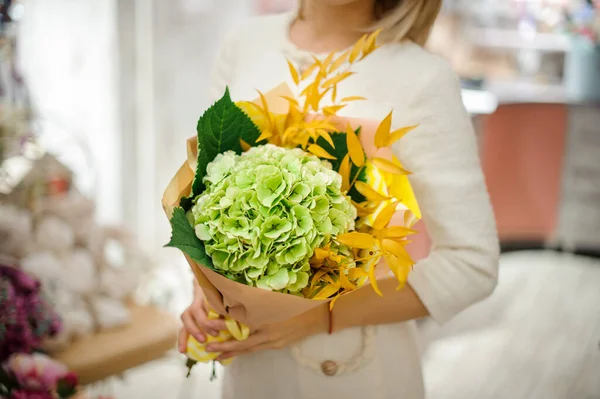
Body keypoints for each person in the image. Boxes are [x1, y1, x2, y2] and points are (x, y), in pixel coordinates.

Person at [179, 1, 500, 398]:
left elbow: (472, 264)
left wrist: (319, 318)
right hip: (251, 370)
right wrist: (205, 292)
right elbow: (204, 192)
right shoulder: (244, 42)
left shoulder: (421, 78)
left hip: (354, 370)